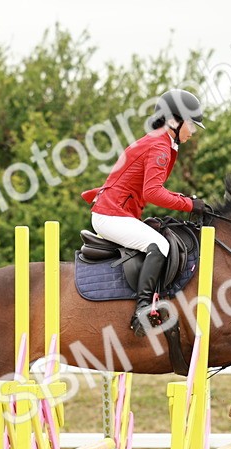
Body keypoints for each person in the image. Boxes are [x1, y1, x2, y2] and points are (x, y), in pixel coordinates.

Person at [82, 89, 210, 336]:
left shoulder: (159, 142)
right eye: (191, 125)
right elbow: (153, 193)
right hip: (111, 215)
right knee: (159, 245)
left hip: (115, 213)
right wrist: (190, 204)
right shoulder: (159, 147)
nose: (192, 132)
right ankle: (142, 309)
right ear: (173, 120)